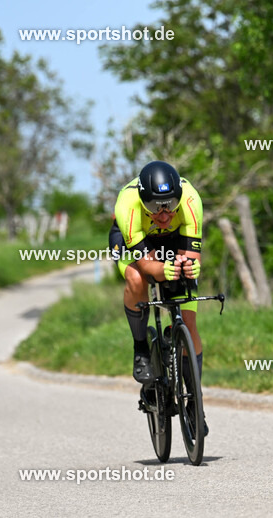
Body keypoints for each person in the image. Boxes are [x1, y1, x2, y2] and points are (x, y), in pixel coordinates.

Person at [110, 161, 208, 433]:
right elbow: (146, 266)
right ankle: (141, 348)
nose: (163, 214)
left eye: (170, 205)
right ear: (143, 201)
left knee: (189, 320)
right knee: (137, 279)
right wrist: (163, 270)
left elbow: (192, 255)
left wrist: (190, 267)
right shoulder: (127, 205)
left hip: (174, 239)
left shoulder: (191, 201)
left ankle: (194, 401)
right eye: (154, 207)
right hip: (136, 239)